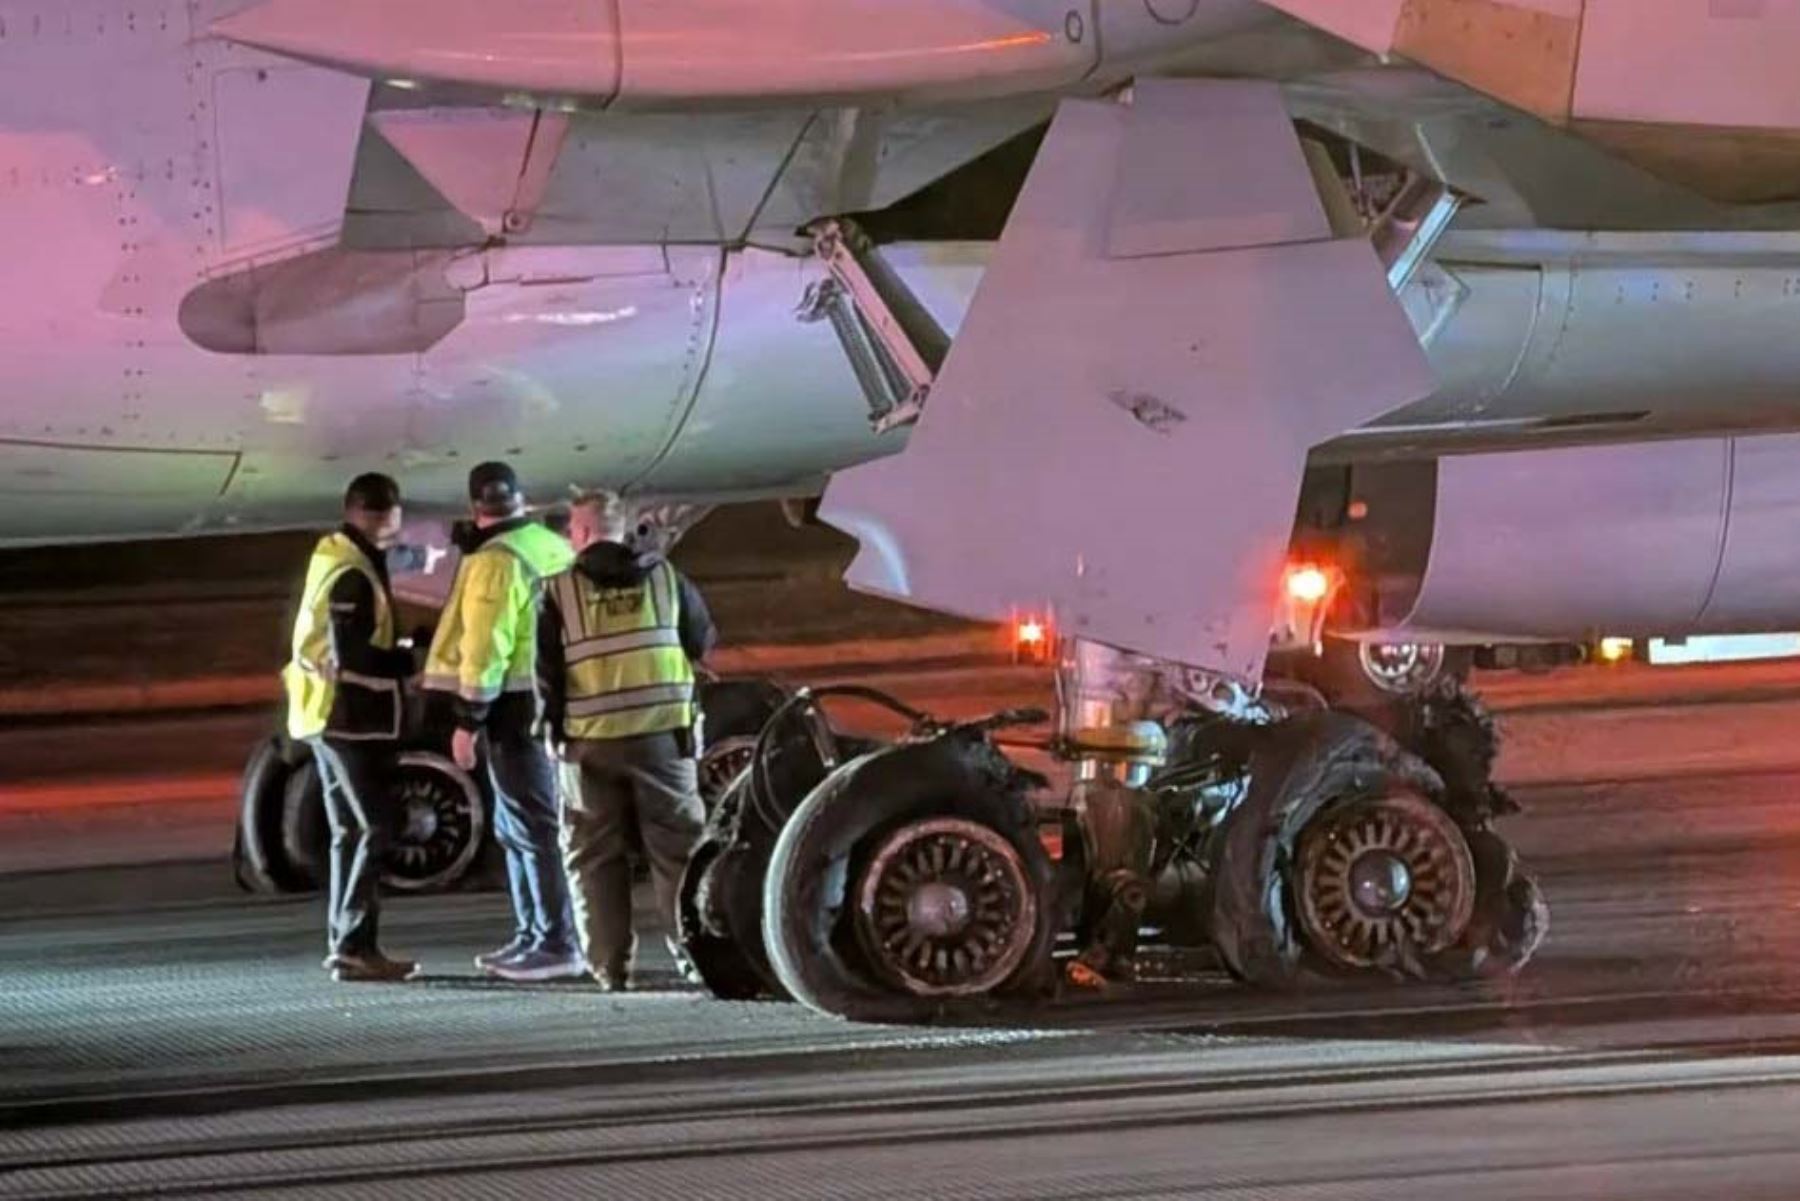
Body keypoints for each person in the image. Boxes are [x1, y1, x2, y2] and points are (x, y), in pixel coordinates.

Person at [539, 490, 717, 991]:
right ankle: (698, 958)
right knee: (678, 853)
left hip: (589, 745)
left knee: (593, 858)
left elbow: (546, 676)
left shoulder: (557, 592)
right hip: (663, 739)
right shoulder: (665, 578)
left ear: (582, 533)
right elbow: (702, 641)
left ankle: (611, 969)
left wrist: (552, 733)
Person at [422, 462, 584, 982]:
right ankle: (537, 935)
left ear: (475, 507)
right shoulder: (550, 545)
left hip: (513, 709)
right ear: (521, 498)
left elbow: (485, 647)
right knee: (526, 823)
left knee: (529, 826)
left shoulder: (496, 561)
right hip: (552, 700)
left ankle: (554, 941)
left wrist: (467, 720)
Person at [283, 473, 418, 983]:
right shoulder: (354, 574)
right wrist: (407, 664)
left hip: (322, 713)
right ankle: (356, 944)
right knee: (377, 826)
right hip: (349, 717)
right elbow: (354, 651)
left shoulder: (334, 553)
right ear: (388, 516)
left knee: (348, 830)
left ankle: (345, 943)